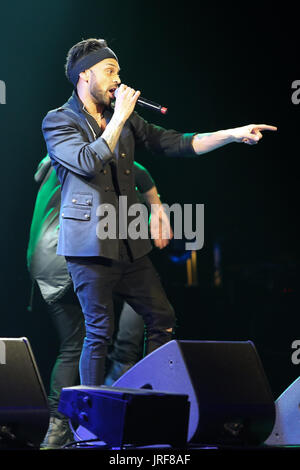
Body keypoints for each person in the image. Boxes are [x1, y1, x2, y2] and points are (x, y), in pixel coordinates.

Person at [42, 37, 276, 389]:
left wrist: (230, 134)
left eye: (118, 71)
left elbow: (172, 142)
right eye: (109, 71)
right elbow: (87, 162)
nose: (118, 80)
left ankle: (151, 397)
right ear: (84, 74)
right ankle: (87, 426)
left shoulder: (123, 118)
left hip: (129, 242)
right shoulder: (58, 121)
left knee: (161, 316)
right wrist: (120, 116)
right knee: (99, 331)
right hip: (89, 246)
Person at [27, 154, 170, 448]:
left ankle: (59, 427)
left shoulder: (56, 159)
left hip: (43, 261)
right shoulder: (89, 154)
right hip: (75, 254)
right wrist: (155, 205)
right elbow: (137, 168)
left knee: (73, 344)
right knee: (146, 310)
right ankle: (122, 394)